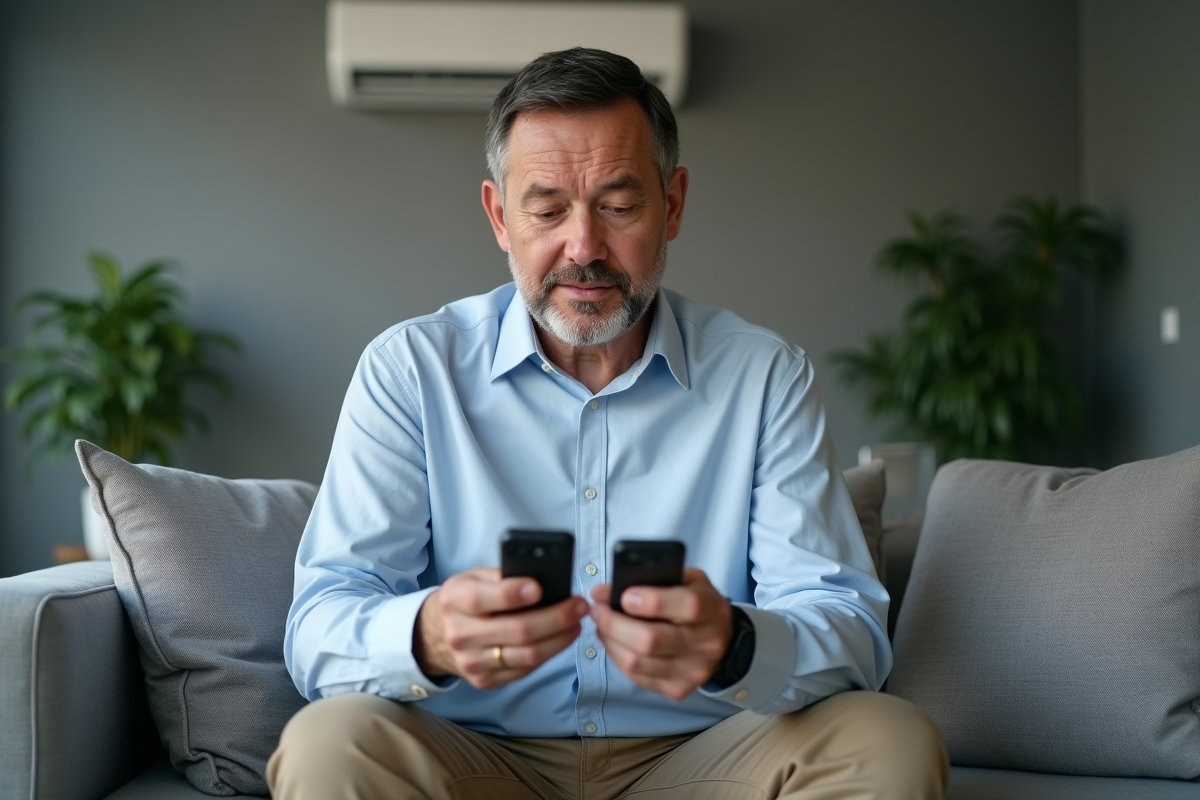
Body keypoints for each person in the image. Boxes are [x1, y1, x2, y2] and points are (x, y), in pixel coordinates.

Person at [269, 47, 948, 800]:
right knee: (327, 744)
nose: (584, 248)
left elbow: (848, 627)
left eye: (619, 207)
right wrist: (426, 636)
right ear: (499, 217)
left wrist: (735, 644)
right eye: (547, 210)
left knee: (888, 739)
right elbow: (321, 624)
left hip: (705, 758)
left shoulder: (764, 376)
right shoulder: (410, 370)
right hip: (473, 758)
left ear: (674, 204)